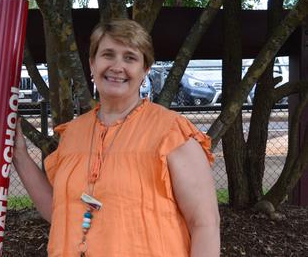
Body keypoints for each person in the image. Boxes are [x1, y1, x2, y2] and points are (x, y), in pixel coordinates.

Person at [13, 19, 220, 256]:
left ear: (145, 70)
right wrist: (20, 156)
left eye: (130, 58)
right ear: (92, 64)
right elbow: (60, 212)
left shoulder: (171, 132)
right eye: (108, 55)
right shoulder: (72, 134)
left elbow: (205, 225)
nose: (117, 66)